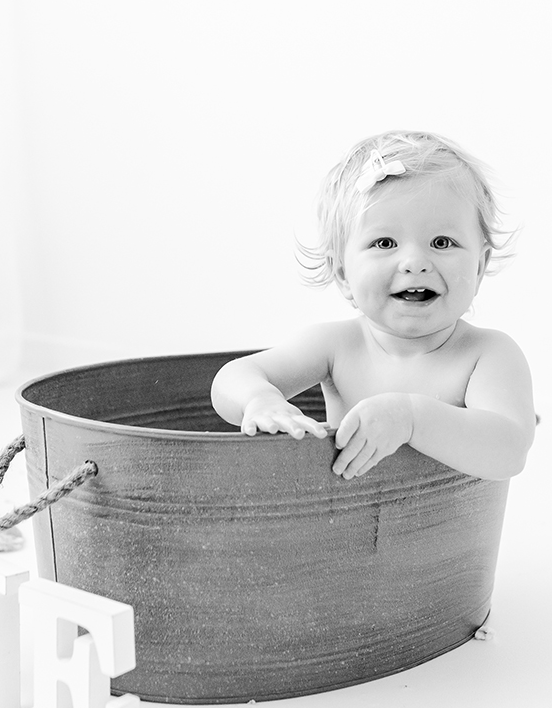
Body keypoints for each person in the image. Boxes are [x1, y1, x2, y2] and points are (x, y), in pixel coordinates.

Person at [211, 131, 535, 482]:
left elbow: (509, 451)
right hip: (346, 527)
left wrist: (411, 418)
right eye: (385, 242)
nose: (414, 262)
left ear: (479, 266)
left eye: (442, 242)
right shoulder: (336, 346)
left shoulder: (488, 355)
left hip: (445, 532)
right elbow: (230, 379)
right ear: (343, 274)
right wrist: (259, 399)